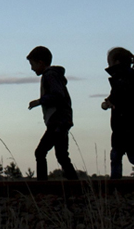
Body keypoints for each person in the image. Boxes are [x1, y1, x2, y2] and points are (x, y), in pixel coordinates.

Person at [27, 46, 78, 181]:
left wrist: (39, 101)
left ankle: (42, 185)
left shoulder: (49, 75)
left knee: (40, 152)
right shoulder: (54, 75)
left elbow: (57, 95)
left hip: (58, 120)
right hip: (62, 120)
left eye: (32, 64)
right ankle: (76, 184)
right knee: (62, 156)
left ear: (40, 63)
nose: (32, 68)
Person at [102, 47, 134, 179]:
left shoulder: (121, 78)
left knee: (116, 154)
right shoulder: (127, 76)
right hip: (126, 123)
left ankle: (115, 184)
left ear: (116, 62)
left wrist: (109, 102)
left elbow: (118, 94)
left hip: (123, 123)